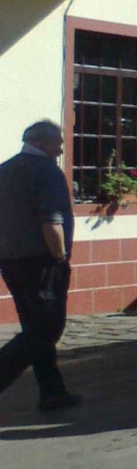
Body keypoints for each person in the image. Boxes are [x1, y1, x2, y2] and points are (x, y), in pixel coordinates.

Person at [0, 120, 81, 411]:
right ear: (43, 143)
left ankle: (52, 391)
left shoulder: (5, 170)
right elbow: (52, 222)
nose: (61, 148)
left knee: (34, 326)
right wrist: (59, 257)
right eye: (59, 141)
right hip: (43, 263)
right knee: (46, 328)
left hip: (10, 261)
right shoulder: (47, 172)